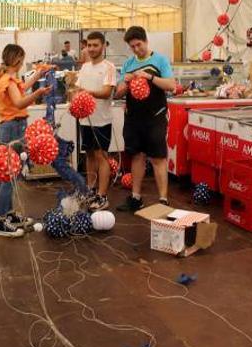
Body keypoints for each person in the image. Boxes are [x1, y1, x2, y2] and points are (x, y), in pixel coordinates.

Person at [114, 26, 176, 212]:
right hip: (133, 118)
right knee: (137, 156)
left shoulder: (160, 60)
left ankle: (163, 200)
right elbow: (118, 93)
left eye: (138, 45)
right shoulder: (128, 64)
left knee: (158, 157)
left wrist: (149, 76)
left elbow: (171, 85)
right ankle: (136, 197)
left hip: (155, 116)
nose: (136, 49)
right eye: (132, 47)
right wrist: (126, 81)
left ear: (145, 41)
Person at [0, 44, 51, 237]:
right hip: (11, 128)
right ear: (17, 60)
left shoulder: (8, 79)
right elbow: (19, 102)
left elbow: (22, 89)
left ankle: (8, 215)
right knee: (8, 177)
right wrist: (38, 94)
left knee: (9, 176)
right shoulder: (8, 80)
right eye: (22, 59)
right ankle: (0, 222)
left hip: (11, 127)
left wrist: (38, 74)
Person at [75, 31, 117, 210]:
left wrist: (87, 93)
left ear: (103, 46)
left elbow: (107, 92)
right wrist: (76, 101)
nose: (91, 49)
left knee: (102, 156)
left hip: (102, 121)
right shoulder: (84, 67)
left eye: (95, 45)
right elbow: (77, 90)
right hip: (85, 120)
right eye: (89, 45)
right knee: (89, 154)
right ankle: (91, 190)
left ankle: (102, 196)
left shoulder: (109, 67)